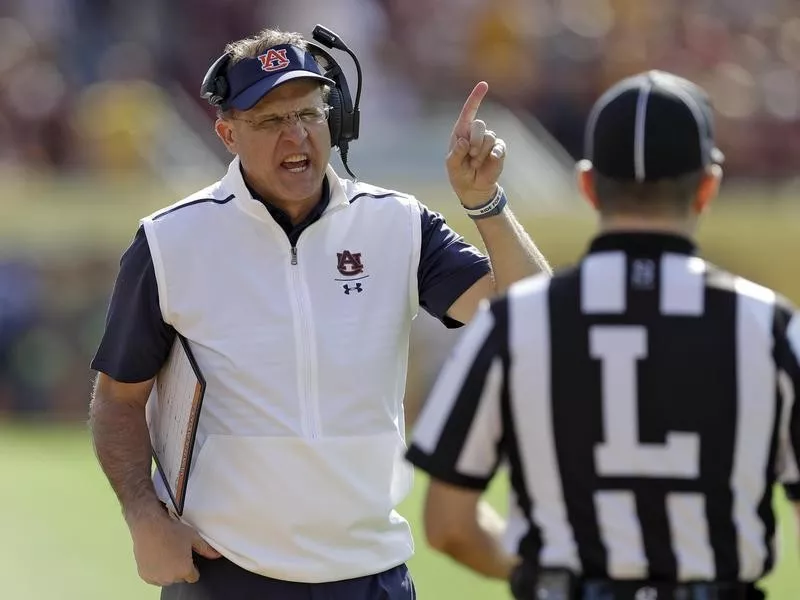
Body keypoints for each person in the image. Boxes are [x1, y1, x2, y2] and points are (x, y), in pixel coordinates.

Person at [87, 26, 551, 600]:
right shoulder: (169, 240)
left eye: (309, 113)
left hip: (371, 575)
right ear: (227, 134)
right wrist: (144, 515)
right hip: (224, 576)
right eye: (270, 121)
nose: (297, 135)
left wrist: (487, 203)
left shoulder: (398, 225)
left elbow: (535, 320)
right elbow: (118, 399)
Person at [405, 70, 800, 600]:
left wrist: (544, 575)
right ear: (708, 187)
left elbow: (450, 526)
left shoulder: (517, 321)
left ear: (588, 185)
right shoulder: (771, 327)